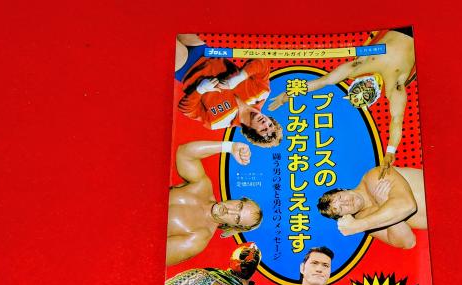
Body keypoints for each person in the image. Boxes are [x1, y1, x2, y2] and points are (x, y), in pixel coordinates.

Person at [268, 27, 415, 175]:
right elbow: (396, 119)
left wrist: (287, 95)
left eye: (358, 89)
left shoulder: (357, 68)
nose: (365, 88)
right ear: (371, 100)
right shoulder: (394, 87)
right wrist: (390, 151)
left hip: (396, 26)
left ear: (356, 84)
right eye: (365, 95)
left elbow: (323, 81)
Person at [175, 34, 282, 148]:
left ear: (252, 133)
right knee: (180, 28)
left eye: (263, 129)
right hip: (206, 50)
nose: (265, 123)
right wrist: (240, 77)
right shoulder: (262, 92)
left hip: (185, 68)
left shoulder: (217, 122)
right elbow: (262, 62)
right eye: (270, 124)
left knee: (170, 41)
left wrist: (200, 90)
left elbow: (186, 109)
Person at [167, 140, 262, 266]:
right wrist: (230, 147)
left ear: (233, 226)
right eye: (239, 206)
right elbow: (184, 153)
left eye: (237, 218)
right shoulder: (202, 187)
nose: (230, 211)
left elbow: (154, 255)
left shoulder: (197, 238)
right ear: (237, 200)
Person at [316, 166, 426, 249]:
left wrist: (359, 225)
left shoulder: (373, 176)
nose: (346, 202)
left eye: (340, 197)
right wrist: (383, 204)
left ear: (343, 189)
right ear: (343, 216)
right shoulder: (364, 219)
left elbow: (408, 205)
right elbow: (408, 242)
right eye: (341, 208)